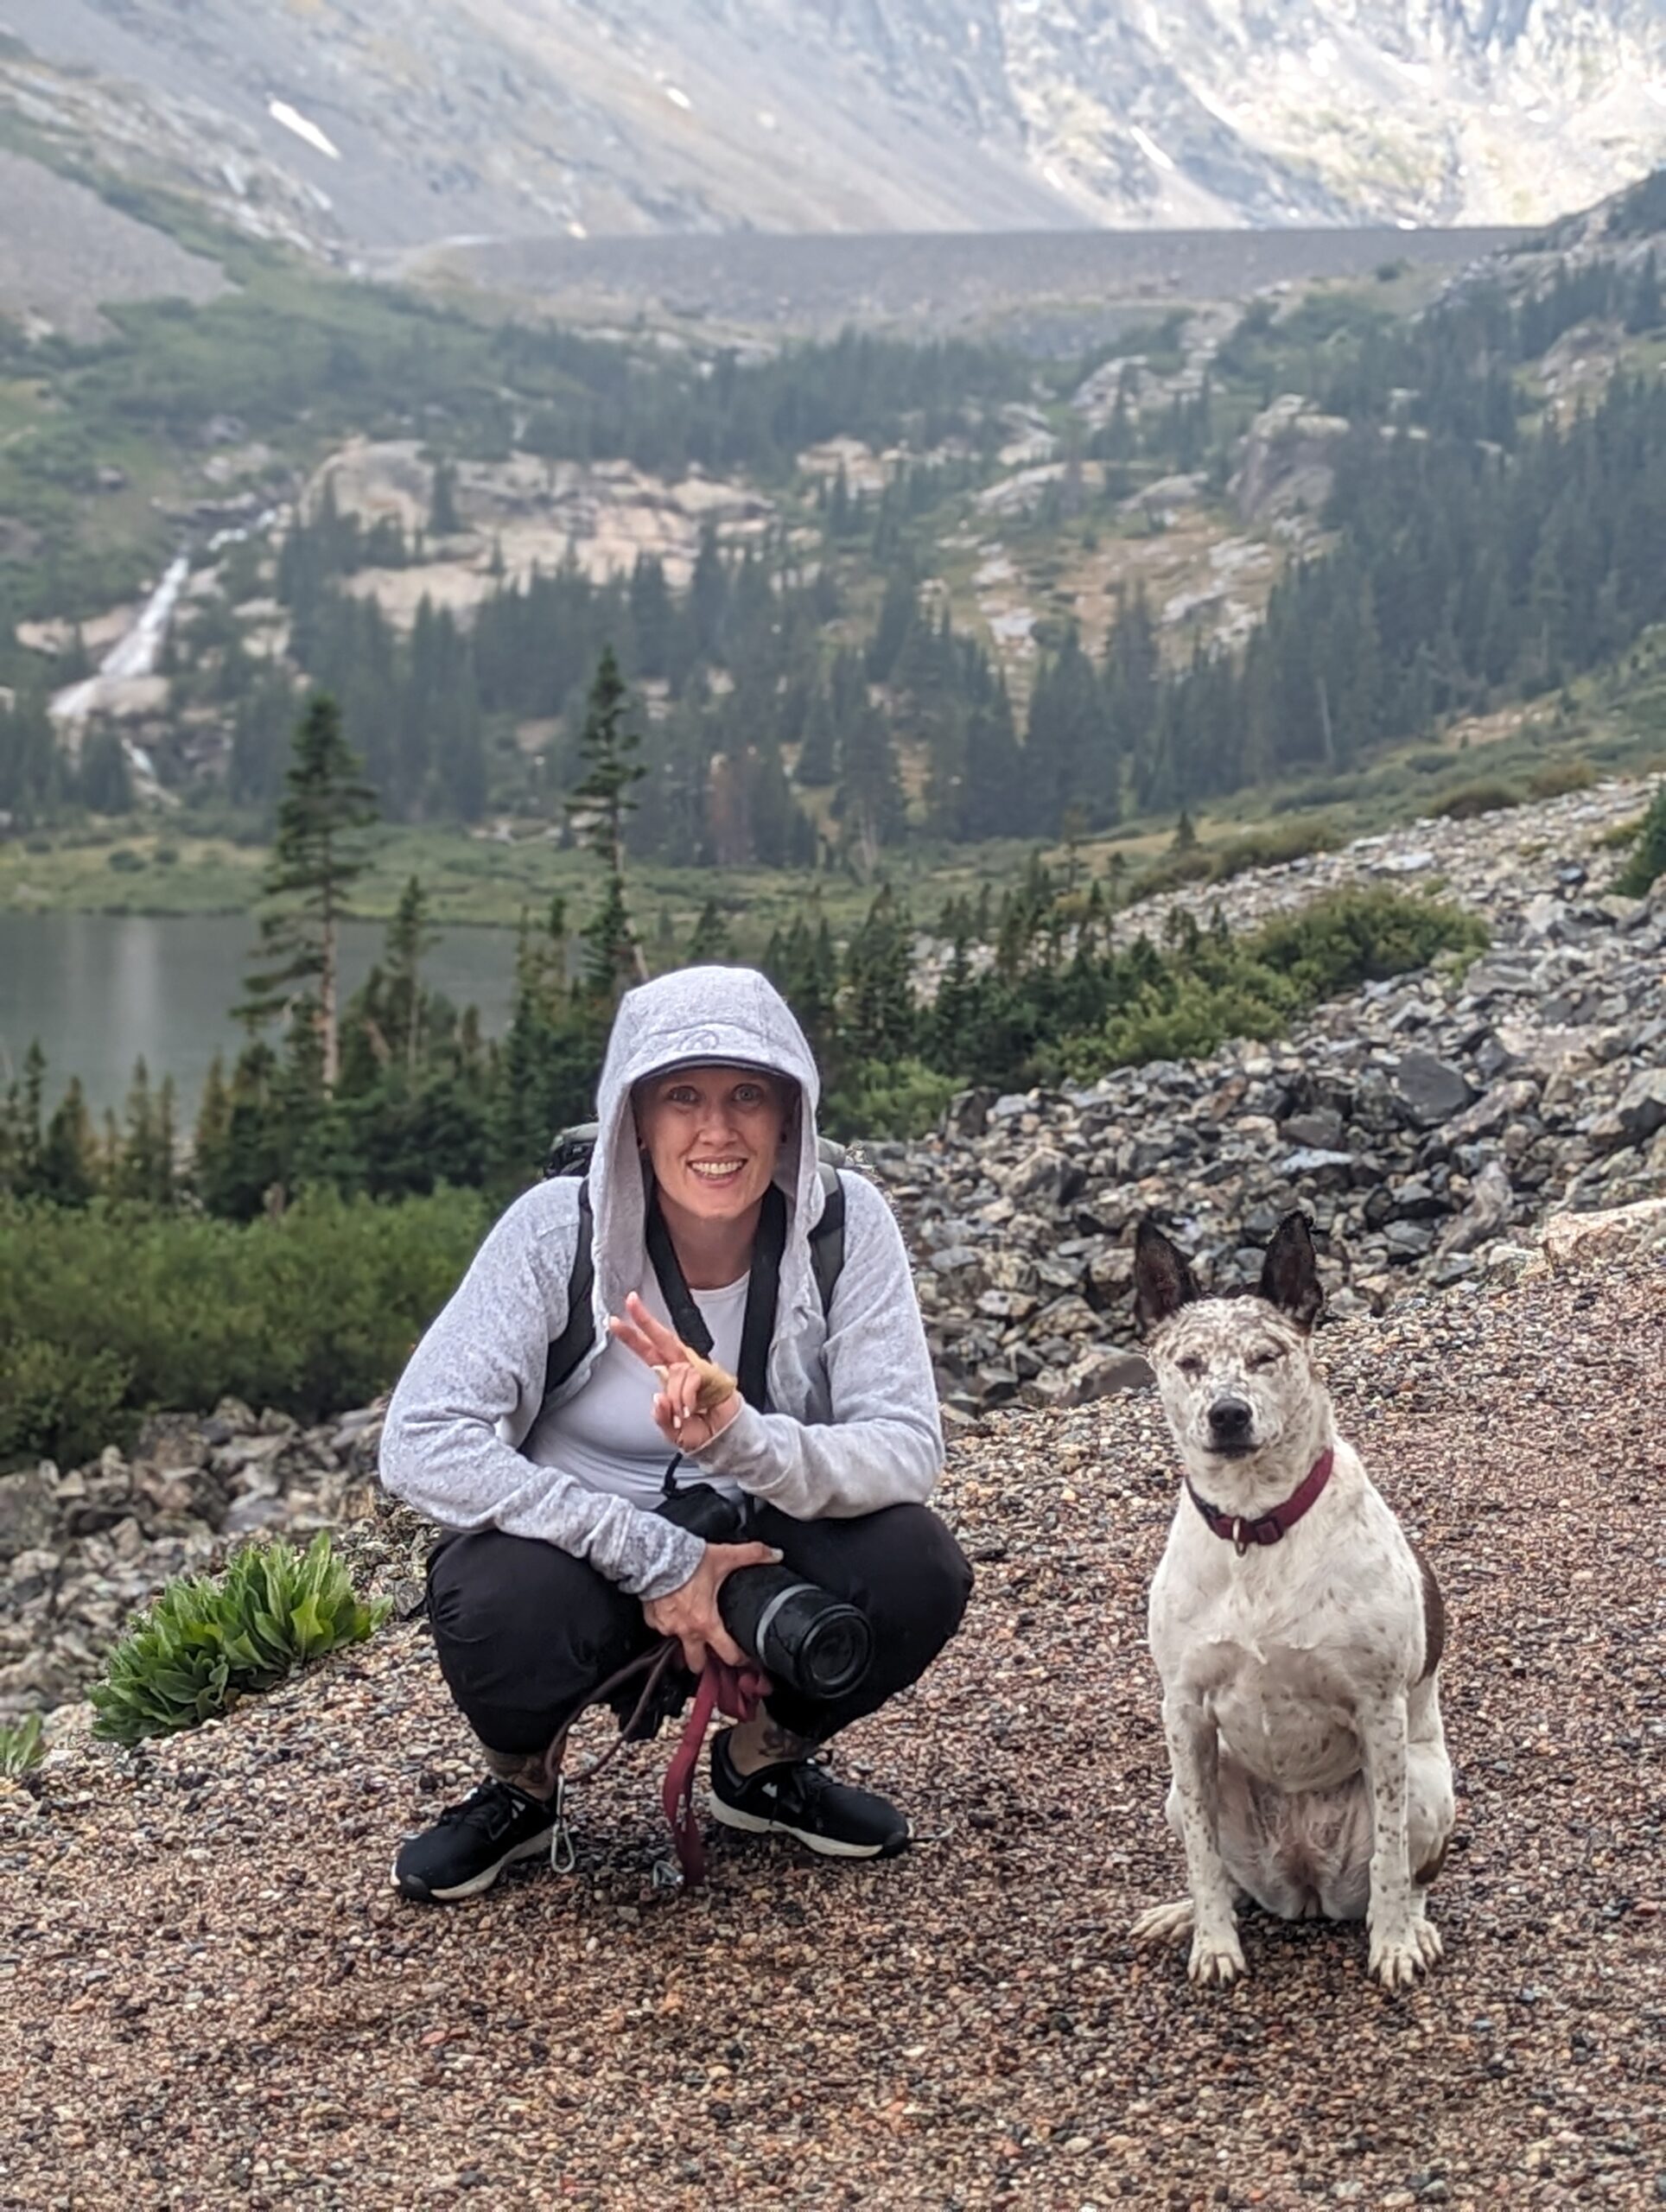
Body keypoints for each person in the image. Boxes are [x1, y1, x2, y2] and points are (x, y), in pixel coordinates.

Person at [380, 964, 972, 1903]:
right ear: (634, 1120)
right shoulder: (552, 1234)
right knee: (494, 1599)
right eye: (680, 1098)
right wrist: (656, 1559)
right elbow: (420, 1438)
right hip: (581, 1560)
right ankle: (521, 1787)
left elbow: (907, 1446)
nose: (716, 1130)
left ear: (789, 1114)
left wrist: (741, 1439)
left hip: (757, 1548)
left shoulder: (844, 1227)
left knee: (915, 1565)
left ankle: (759, 1765)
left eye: (747, 1095)